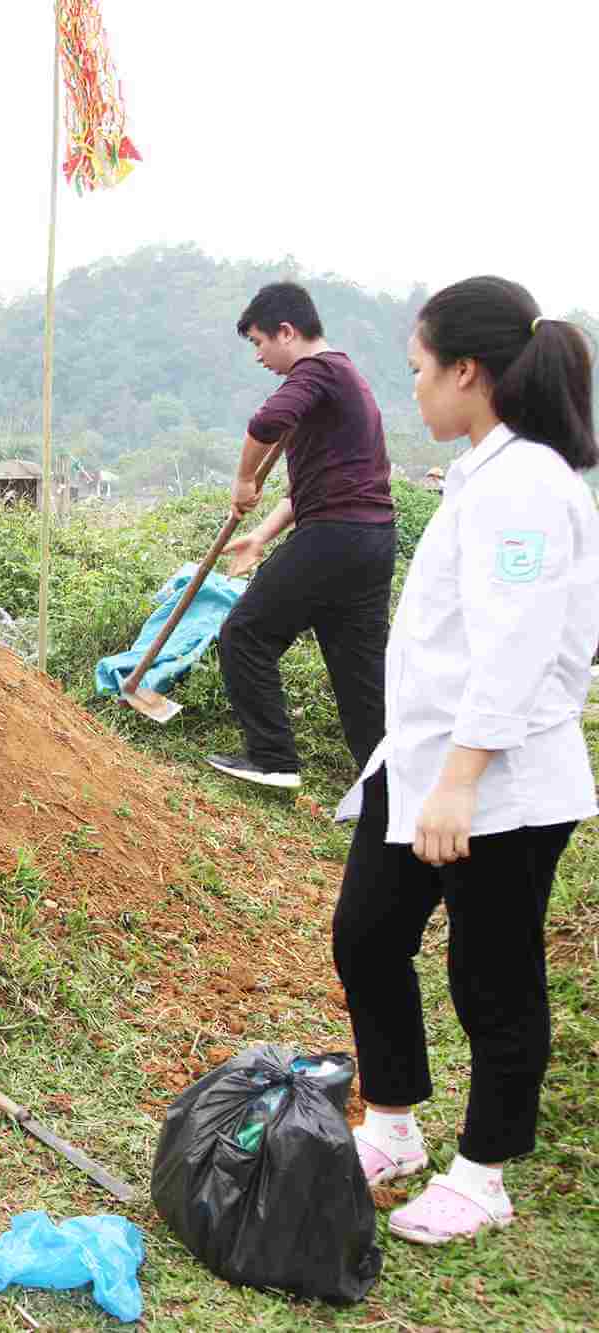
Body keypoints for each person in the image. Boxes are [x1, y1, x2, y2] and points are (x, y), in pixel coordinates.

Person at [332, 277, 598, 1244]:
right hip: (428, 768)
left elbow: (519, 642)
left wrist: (461, 780)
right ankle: (394, 1124)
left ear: (468, 372)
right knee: (366, 934)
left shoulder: (526, 481)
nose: (414, 390)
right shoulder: (485, 470)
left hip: (496, 783)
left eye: (418, 371)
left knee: (493, 974)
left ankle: (484, 1172)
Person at [211, 281, 397, 791]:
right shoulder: (346, 379)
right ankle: (387, 787)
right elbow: (311, 490)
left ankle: (272, 759)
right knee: (359, 675)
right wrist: (260, 537)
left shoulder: (317, 370)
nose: (258, 356)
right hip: (371, 541)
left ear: (286, 332)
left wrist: (244, 480)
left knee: (245, 634)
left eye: (258, 343)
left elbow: (265, 422)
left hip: (334, 538)